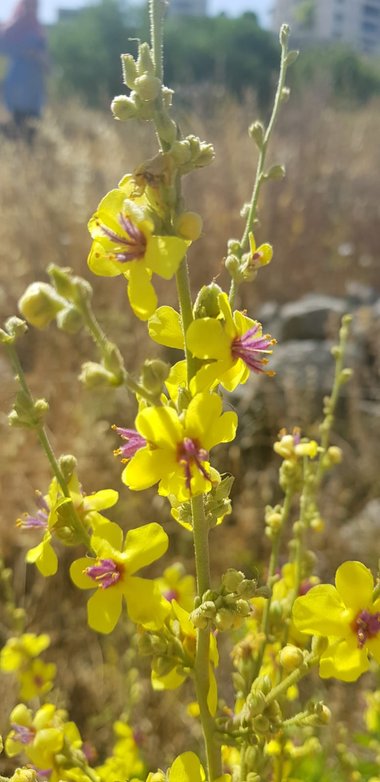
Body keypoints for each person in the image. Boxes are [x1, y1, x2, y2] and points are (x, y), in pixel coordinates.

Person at [0, 0, 47, 138]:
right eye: (29, 4)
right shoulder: (13, 26)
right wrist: (24, 52)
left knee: (33, 121)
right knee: (18, 118)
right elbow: (3, 47)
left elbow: (44, 53)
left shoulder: (37, 28)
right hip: (18, 78)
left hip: (34, 81)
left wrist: (44, 62)